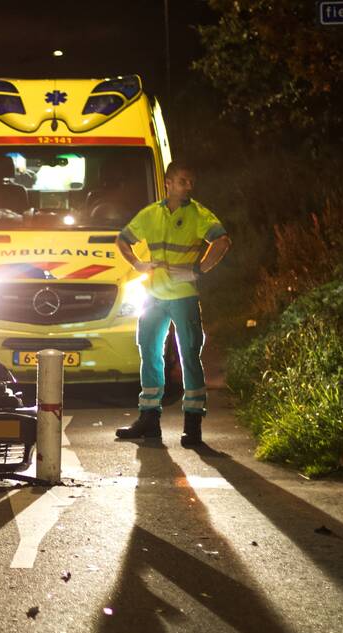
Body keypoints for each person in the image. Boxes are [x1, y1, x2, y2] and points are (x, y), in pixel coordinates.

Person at [113, 160, 232, 447]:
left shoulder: (199, 214)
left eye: (191, 181)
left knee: (189, 356)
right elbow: (122, 240)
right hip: (154, 295)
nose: (188, 186)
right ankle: (149, 419)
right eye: (182, 181)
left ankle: (193, 423)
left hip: (183, 296)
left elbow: (223, 242)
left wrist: (198, 270)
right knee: (150, 353)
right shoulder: (151, 214)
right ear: (168, 183)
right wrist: (138, 263)